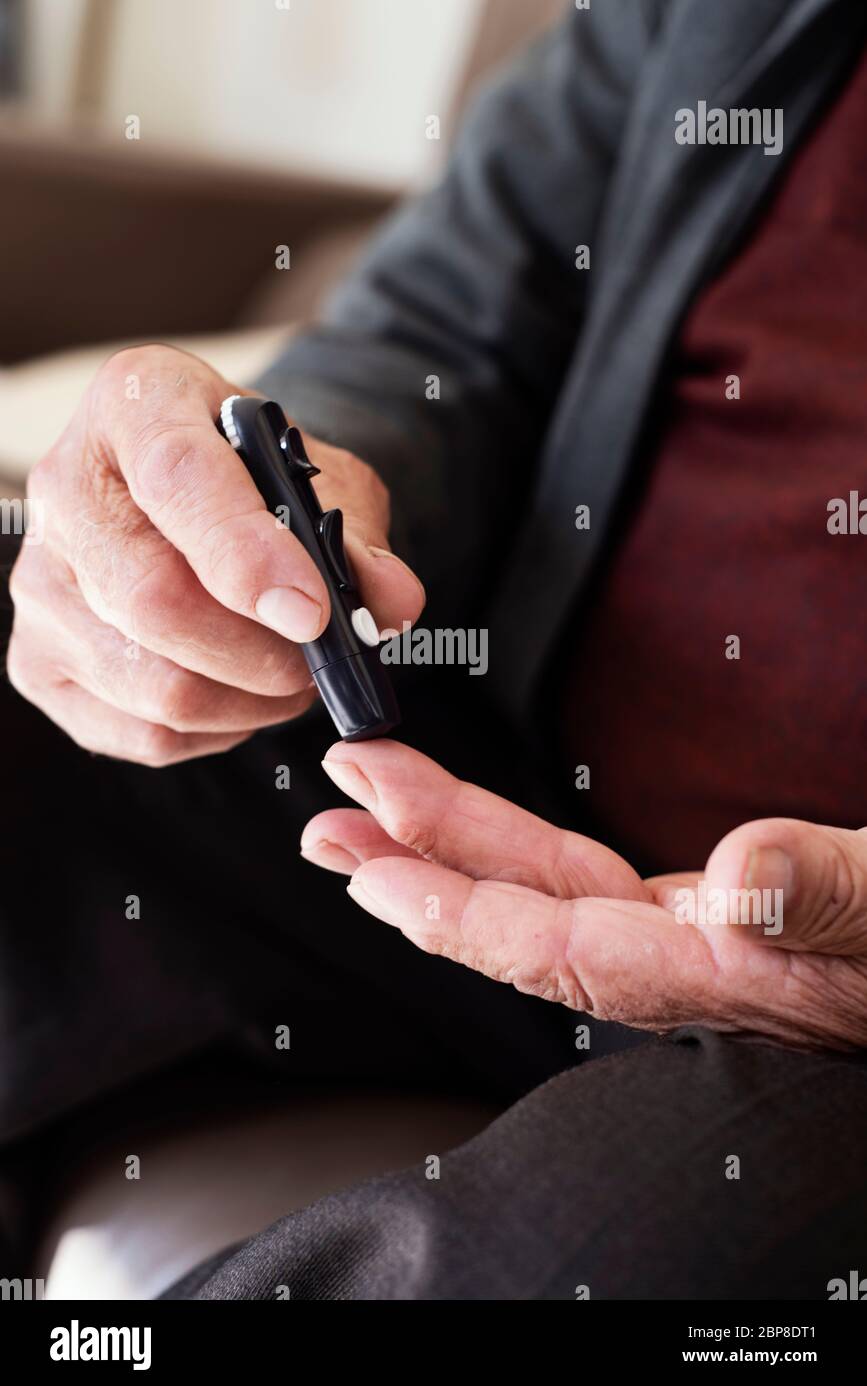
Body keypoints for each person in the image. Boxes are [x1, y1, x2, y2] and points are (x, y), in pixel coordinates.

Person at [3, 0, 867, 1299]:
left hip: (835, 1024)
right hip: (499, 792)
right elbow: (432, 336)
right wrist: (299, 493)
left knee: (623, 1243)